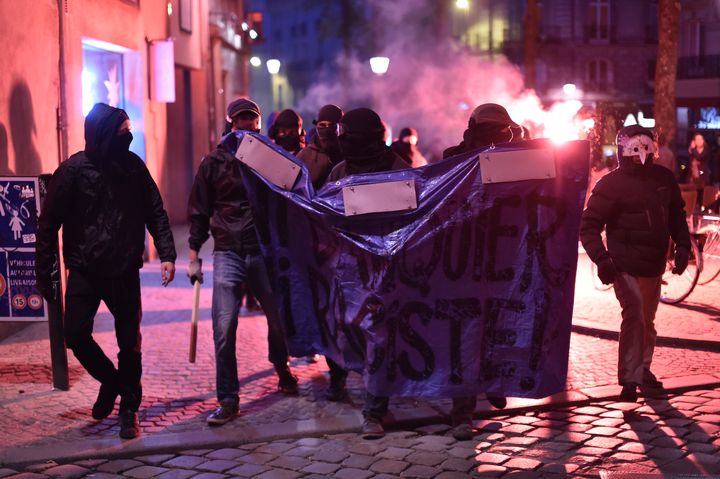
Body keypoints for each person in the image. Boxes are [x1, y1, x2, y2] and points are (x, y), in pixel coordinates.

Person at [36, 103, 177, 440]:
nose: (127, 137)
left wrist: (167, 254)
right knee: (75, 334)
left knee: (129, 341)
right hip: (85, 268)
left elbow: (154, 209)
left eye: (129, 131)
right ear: (102, 134)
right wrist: (46, 271)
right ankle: (112, 382)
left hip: (124, 268)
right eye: (121, 132)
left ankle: (129, 408)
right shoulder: (72, 171)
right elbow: (47, 224)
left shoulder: (133, 167)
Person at [187, 97, 299, 427]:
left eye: (251, 119)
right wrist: (193, 256)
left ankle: (281, 367)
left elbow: (290, 195)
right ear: (230, 123)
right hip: (228, 252)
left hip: (262, 251)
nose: (246, 124)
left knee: (278, 320)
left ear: (259, 123)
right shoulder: (214, 162)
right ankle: (228, 399)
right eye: (240, 120)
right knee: (224, 328)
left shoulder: (269, 159)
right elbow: (199, 210)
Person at [581, 125, 690, 403]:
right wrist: (602, 259)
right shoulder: (611, 184)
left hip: (653, 263)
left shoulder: (663, 179)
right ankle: (630, 379)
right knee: (635, 316)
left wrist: (683, 246)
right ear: (624, 150)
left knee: (647, 321)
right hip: (623, 264)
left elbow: (676, 216)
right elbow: (589, 225)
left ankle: (642, 370)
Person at [324, 108, 409, 439]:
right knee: (351, 330)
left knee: (380, 335)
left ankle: (374, 409)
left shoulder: (398, 169)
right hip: (349, 269)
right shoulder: (340, 171)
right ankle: (369, 384)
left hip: (387, 266)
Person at [442, 103, 522, 440]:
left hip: (504, 257)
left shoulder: (517, 156)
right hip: (465, 262)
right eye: (490, 131)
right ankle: (462, 414)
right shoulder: (453, 156)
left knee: (499, 327)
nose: (495, 138)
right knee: (465, 337)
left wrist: (521, 144)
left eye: (500, 132)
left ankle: (493, 383)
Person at [297, 104, 344, 187]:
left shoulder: (349, 152)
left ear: (340, 127)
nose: (326, 129)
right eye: (322, 125)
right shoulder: (305, 155)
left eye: (331, 125)